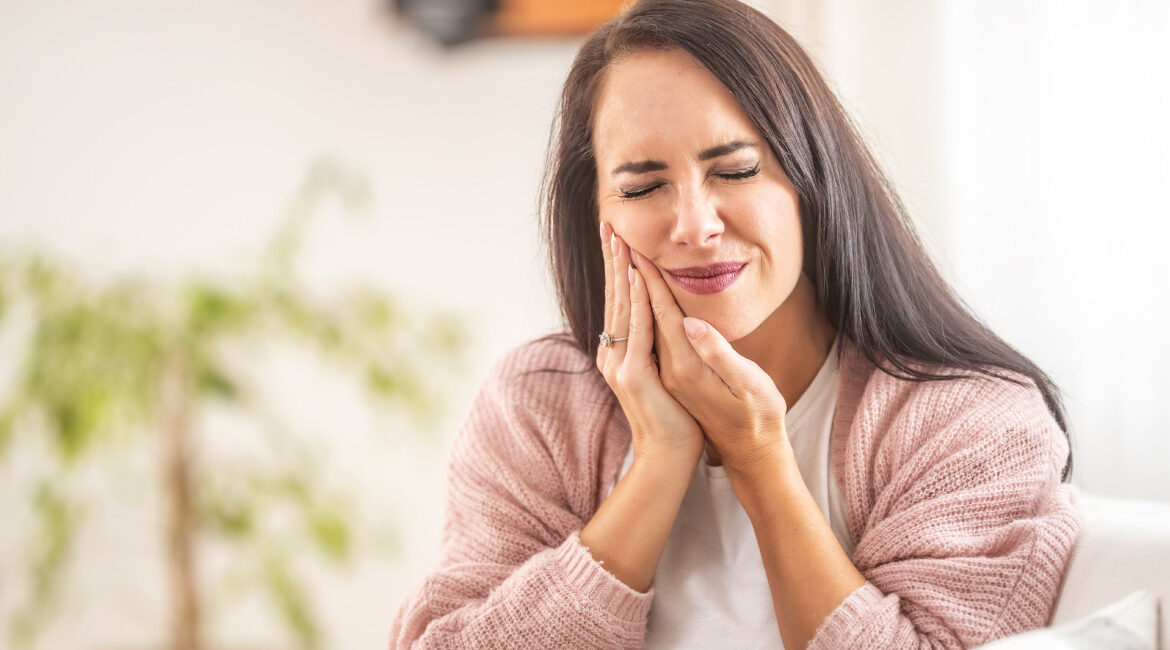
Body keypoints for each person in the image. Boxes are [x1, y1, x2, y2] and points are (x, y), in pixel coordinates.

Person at [390, 0, 1080, 647]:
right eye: (642, 187)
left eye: (738, 170)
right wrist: (657, 461)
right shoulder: (539, 404)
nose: (695, 224)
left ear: (813, 181)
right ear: (596, 213)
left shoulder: (970, 422)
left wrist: (759, 461)